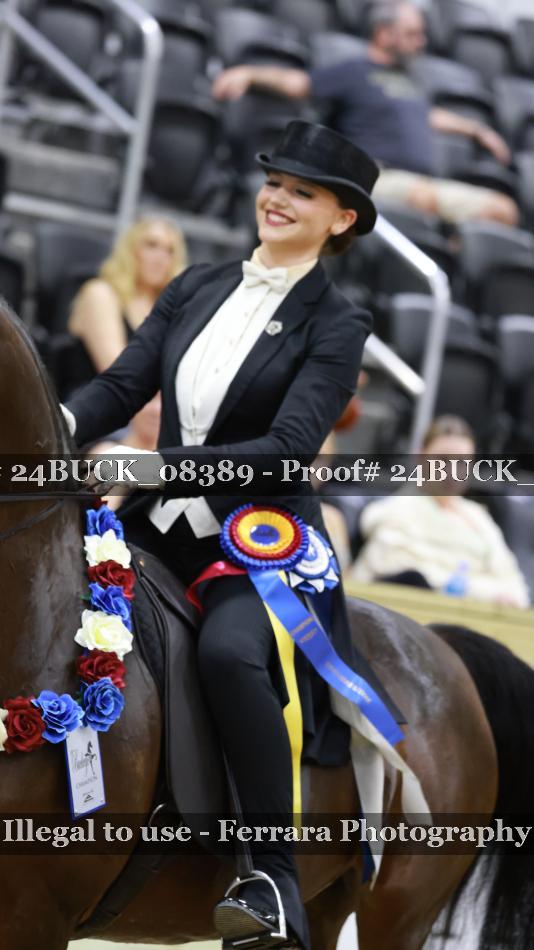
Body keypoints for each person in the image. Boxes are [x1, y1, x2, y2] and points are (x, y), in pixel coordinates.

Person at [62, 120, 378, 949]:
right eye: (274, 182)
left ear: (341, 219)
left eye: (302, 192)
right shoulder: (196, 286)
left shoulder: (338, 324)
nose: (278, 199)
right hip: (154, 526)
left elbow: (287, 449)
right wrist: (56, 423)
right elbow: (122, 386)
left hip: (254, 542)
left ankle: (270, 878)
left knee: (231, 654)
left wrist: (153, 466)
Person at [212, 0, 519, 227]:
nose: (421, 43)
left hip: (423, 184)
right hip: (377, 179)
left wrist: (477, 130)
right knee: (421, 198)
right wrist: (248, 73)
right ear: (383, 34)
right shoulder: (354, 72)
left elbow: (429, 117)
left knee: (504, 209)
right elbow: (299, 83)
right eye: (412, 34)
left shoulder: (412, 82)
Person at [347, 416, 530, 608]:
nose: (451, 471)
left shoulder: (479, 518)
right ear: (420, 457)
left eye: (462, 462)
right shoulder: (392, 511)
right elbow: (403, 575)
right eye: (442, 460)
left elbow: (516, 590)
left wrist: (462, 587)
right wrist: (484, 590)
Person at [68, 217, 187, 448]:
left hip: (152, 413)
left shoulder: (174, 309)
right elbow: (120, 373)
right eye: (151, 245)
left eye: (169, 250)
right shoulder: (100, 292)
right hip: (98, 408)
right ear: (130, 250)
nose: (160, 257)